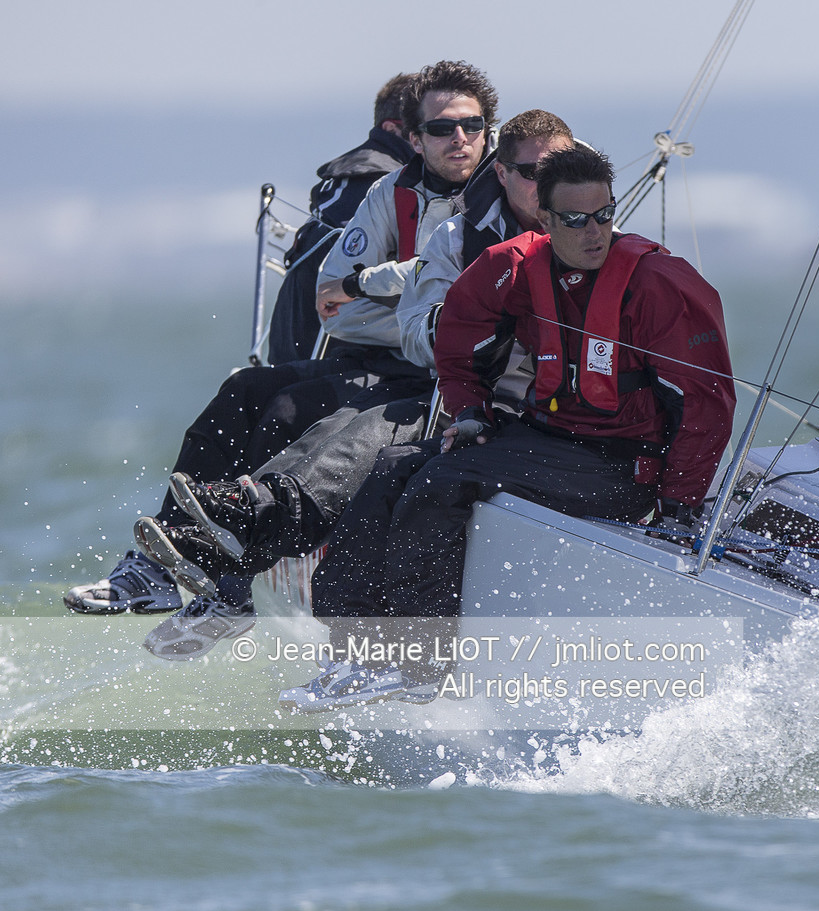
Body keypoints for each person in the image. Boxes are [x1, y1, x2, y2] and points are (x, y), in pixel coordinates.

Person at [281, 144, 736, 709]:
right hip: (550, 441)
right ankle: (351, 645)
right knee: (395, 465)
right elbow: (459, 333)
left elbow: (705, 405)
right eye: (574, 219)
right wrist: (469, 411)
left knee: (442, 482)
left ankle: (418, 664)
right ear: (544, 218)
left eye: (603, 215)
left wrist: (678, 504)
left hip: (623, 464)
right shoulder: (516, 266)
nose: (593, 232)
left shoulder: (662, 285)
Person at [135, 111, 575, 661]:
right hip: (458, 393)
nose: (456, 139)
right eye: (530, 171)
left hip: (531, 418)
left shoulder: (593, 234)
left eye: (556, 168)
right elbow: (408, 324)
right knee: (285, 402)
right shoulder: (449, 230)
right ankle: (202, 553)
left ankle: (238, 551)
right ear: (503, 171)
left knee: (376, 442)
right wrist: (458, 330)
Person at [66, 61, 496, 621]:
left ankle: (233, 580)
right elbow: (335, 307)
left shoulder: (505, 194)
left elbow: (461, 306)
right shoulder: (391, 193)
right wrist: (418, 324)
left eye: (471, 125)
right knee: (247, 388)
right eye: (441, 128)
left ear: (489, 129)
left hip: (449, 381)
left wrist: (395, 299)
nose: (458, 138)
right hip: (399, 360)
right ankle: (160, 569)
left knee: (289, 412)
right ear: (413, 138)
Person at [267, 72, 420, 366]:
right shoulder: (381, 185)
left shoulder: (344, 178)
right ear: (392, 129)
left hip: (290, 353)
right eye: (427, 129)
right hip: (338, 358)